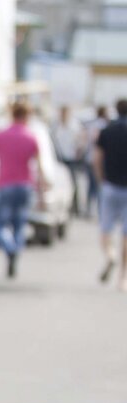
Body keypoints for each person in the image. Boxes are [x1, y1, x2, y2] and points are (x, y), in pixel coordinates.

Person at [0, 102, 48, 279]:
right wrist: (42, 192)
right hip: (25, 185)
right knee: (20, 224)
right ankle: (16, 249)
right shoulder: (31, 137)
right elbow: (39, 167)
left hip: (4, 184)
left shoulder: (0, 135)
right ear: (26, 116)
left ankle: (9, 248)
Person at [93, 99, 127, 290]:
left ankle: (111, 255)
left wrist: (101, 180)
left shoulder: (107, 131)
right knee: (126, 234)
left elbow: (96, 159)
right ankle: (123, 277)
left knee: (105, 229)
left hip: (110, 186)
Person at [51, 105, 86, 215]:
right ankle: (65, 206)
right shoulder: (56, 125)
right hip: (60, 158)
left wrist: (79, 152)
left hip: (71, 158)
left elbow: (81, 139)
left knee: (74, 182)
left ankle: (76, 207)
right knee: (62, 183)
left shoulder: (74, 125)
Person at [84, 105, 109, 218]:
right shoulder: (103, 125)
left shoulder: (92, 125)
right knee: (100, 186)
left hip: (89, 158)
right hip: (99, 160)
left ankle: (89, 209)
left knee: (90, 186)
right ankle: (100, 210)